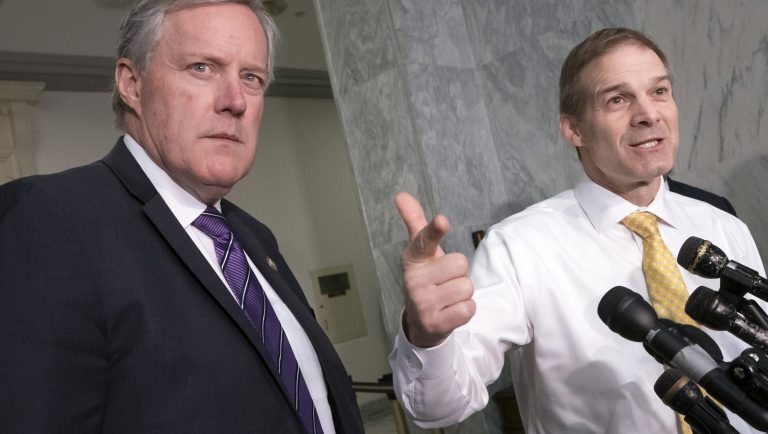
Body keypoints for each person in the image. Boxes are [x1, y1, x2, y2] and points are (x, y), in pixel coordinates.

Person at [0, 1, 362, 433]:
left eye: (252, 78)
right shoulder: (49, 219)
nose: (235, 102)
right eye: (202, 67)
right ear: (132, 83)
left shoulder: (254, 238)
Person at [390, 28, 765, 433]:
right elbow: (440, 408)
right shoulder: (518, 247)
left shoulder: (724, 227)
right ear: (574, 130)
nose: (649, 114)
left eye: (659, 91)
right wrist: (426, 338)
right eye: (617, 99)